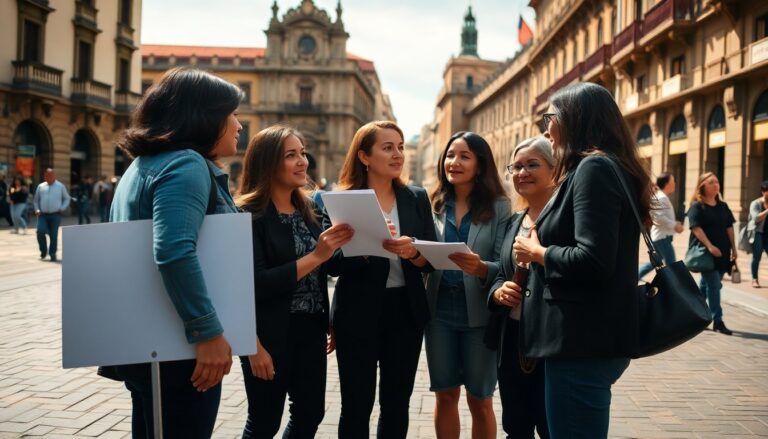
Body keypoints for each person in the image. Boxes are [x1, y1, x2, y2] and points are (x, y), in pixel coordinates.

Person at [511, 82, 653, 437]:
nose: (546, 129)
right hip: (587, 339)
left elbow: (592, 259)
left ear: (576, 118)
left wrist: (538, 252)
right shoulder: (603, 167)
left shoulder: (594, 169)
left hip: (582, 341)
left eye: (551, 118)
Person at [109, 67, 243, 438]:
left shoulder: (143, 165)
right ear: (204, 118)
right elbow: (173, 251)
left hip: (149, 341)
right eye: (231, 114)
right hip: (179, 347)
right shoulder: (185, 164)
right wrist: (208, 332)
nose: (238, 124)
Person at [234, 125, 353, 438]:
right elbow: (254, 283)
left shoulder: (312, 208)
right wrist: (251, 347)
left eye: (302, 153)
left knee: (310, 414)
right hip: (268, 333)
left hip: (311, 329)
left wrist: (366, 240)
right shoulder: (247, 214)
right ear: (268, 162)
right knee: (264, 421)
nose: (303, 161)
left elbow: (333, 264)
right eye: (291, 155)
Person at [328, 121, 437, 438]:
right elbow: (330, 264)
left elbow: (429, 260)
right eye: (388, 147)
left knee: (396, 404)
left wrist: (411, 252)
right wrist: (366, 248)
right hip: (357, 312)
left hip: (405, 311)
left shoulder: (416, 197)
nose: (398, 154)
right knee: (356, 405)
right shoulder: (342, 199)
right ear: (364, 156)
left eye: (401, 147)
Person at [425, 131, 510, 439]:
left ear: (480, 163)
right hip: (438, 315)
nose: (454, 162)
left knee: (480, 399)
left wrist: (481, 267)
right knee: (445, 395)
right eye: (450, 155)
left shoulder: (500, 206)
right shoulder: (431, 202)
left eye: (464, 156)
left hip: (480, 316)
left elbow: (505, 265)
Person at [488, 136, 555, 439]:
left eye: (532, 164)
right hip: (512, 338)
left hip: (551, 339)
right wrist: (498, 292)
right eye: (515, 167)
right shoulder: (513, 221)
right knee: (515, 425)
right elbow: (500, 273)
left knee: (550, 424)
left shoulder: (565, 219)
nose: (521, 172)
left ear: (555, 169)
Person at [687, 172, 737, 335]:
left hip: (723, 253)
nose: (716, 185)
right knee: (714, 285)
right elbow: (696, 228)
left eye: (717, 182)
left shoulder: (723, 206)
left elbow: (729, 227)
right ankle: (718, 320)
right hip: (707, 254)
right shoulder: (697, 206)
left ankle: (692, 314)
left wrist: (734, 249)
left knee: (706, 286)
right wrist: (710, 246)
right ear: (702, 186)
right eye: (711, 183)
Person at [638, 172, 684, 278]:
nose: (675, 184)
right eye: (673, 181)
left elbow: (660, 217)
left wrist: (675, 224)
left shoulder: (661, 196)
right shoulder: (661, 197)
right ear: (667, 183)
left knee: (658, 262)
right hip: (662, 237)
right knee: (671, 265)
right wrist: (675, 226)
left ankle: (636, 276)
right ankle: (674, 287)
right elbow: (658, 218)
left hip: (663, 237)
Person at [33, 168, 71, 262]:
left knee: (53, 235)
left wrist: (62, 208)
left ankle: (52, 253)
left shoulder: (60, 186)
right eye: (47, 175)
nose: (49, 177)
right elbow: (36, 200)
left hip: (55, 215)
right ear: (45, 176)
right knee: (40, 232)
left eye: (51, 175)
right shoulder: (40, 186)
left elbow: (67, 198)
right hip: (42, 215)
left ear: (54, 176)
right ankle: (43, 251)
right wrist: (37, 209)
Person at [747, 181, 768, 288]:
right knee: (757, 257)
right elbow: (756, 218)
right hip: (758, 233)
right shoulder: (756, 203)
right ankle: (754, 279)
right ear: (763, 192)